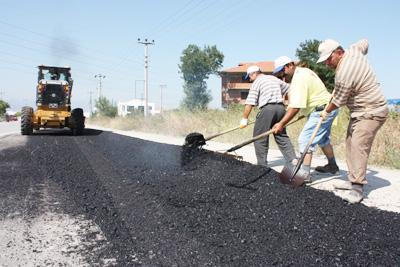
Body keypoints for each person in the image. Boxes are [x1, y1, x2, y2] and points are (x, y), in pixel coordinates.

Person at [316, 39, 388, 203]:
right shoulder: (354, 50)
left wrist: (325, 112)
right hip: (359, 112)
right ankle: (353, 179)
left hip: (371, 111)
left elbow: (339, 100)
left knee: (357, 145)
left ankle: (357, 187)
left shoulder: (344, 74)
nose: (327, 63)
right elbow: (365, 42)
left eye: (329, 59)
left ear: (339, 52)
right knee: (349, 143)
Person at [271, 56, 339, 182]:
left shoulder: (299, 78)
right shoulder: (304, 71)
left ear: (290, 65)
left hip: (322, 110)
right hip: (324, 107)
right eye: (279, 73)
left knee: (305, 139)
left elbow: (295, 107)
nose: (282, 75)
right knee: (323, 139)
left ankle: (305, 174)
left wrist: (281, 123)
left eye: (283, 71)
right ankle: (332, 166)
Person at [239, 65, 297, 168]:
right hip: (281, 109)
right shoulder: (273, 79)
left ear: (254, 74)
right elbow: (290, 89)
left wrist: (244, 119)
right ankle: (292, 160)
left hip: (267, 110)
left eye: (249, 77)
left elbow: (250, 103)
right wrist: (290, 104)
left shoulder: (257, 82)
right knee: (281, 135)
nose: (250, 80)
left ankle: (262, 166)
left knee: (260, 137)